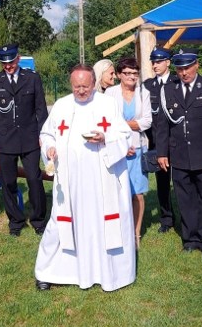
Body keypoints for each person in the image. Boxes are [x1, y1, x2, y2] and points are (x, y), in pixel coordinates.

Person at [34, 64, 135, 291]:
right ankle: (47, 271)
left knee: (103, 224)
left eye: (86, 86)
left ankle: (108, 273)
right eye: (77, 86)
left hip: (102, 179)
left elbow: (124, 135)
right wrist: (49, 148)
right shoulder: (61, 105)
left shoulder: (107, 104)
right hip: (71, 181)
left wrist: (105, 138)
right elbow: (47, 133)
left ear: (93, 83)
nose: (81, 91)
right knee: (58, 224)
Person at [155, 48, 202, 258]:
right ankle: (190, 238)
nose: (183, 73)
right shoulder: (169, 89)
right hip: (179, 154)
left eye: (187, 68)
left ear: (197, 65)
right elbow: (162, 124)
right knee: (185, 199)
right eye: (179, 68)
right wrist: (161, 152)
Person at [0, 43, 48, 236]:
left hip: (29, 138)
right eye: (5, 63)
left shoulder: (32, 78)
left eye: (11, 62)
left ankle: (38, 220)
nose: (8, 66)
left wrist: (44, 135)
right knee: (8, 182)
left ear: (18, 58)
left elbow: (41, 110)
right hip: (5, 140)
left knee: (35, 180)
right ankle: (16, 222)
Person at [105, 57, 152, 246]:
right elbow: (106, 121)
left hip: (138, 147)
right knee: (115, 191)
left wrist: (122, 124)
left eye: (135, 73)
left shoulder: (144, 93)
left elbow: (147, 121)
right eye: (127, 73)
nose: (132, 77)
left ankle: (135, 233)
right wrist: (127, 128)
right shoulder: (110, 93)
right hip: (116, 148)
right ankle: (117, 230)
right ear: (118, 75)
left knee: (137, 193)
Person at [143, 47, 178, 234]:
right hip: (157, 143)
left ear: (168, 62)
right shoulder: (148, 86)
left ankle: (185, 218)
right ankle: (167, 218)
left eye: (159, 61)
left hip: (177, 143)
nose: (155, 65)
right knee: (162, 184)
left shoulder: (177, 82)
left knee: (180, 183)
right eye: (153, 62)